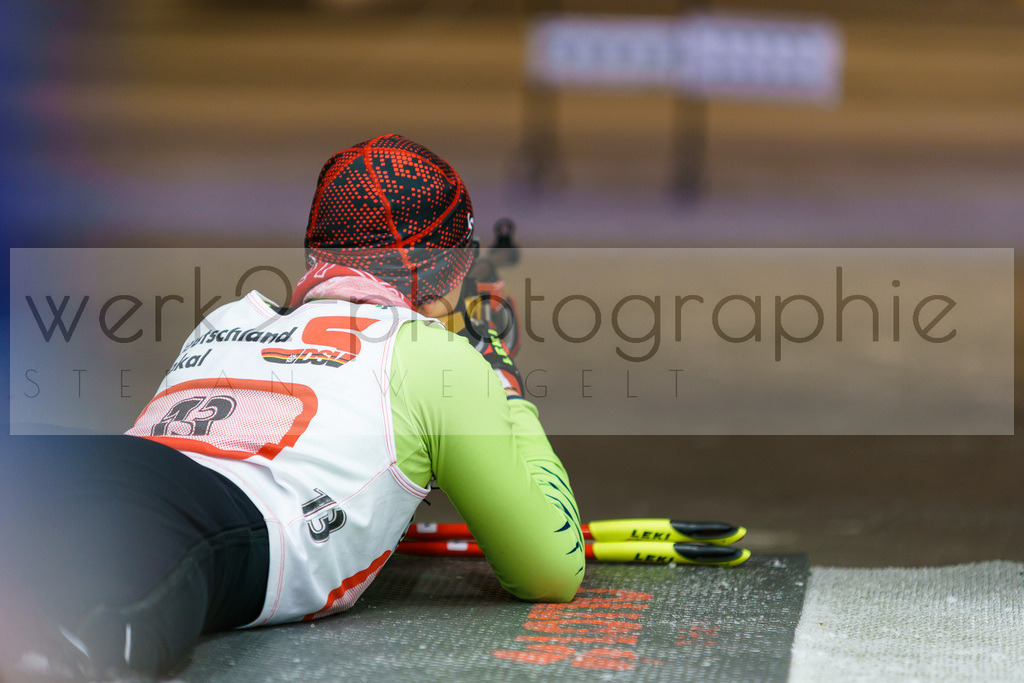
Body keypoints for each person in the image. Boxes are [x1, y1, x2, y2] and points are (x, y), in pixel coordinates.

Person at [0, 134, 584, 678]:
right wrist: (503, 387)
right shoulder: (438, 355)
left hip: (60, 461)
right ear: (448, 266)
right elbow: (551, 565)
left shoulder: (232, 318)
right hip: (187, 522)